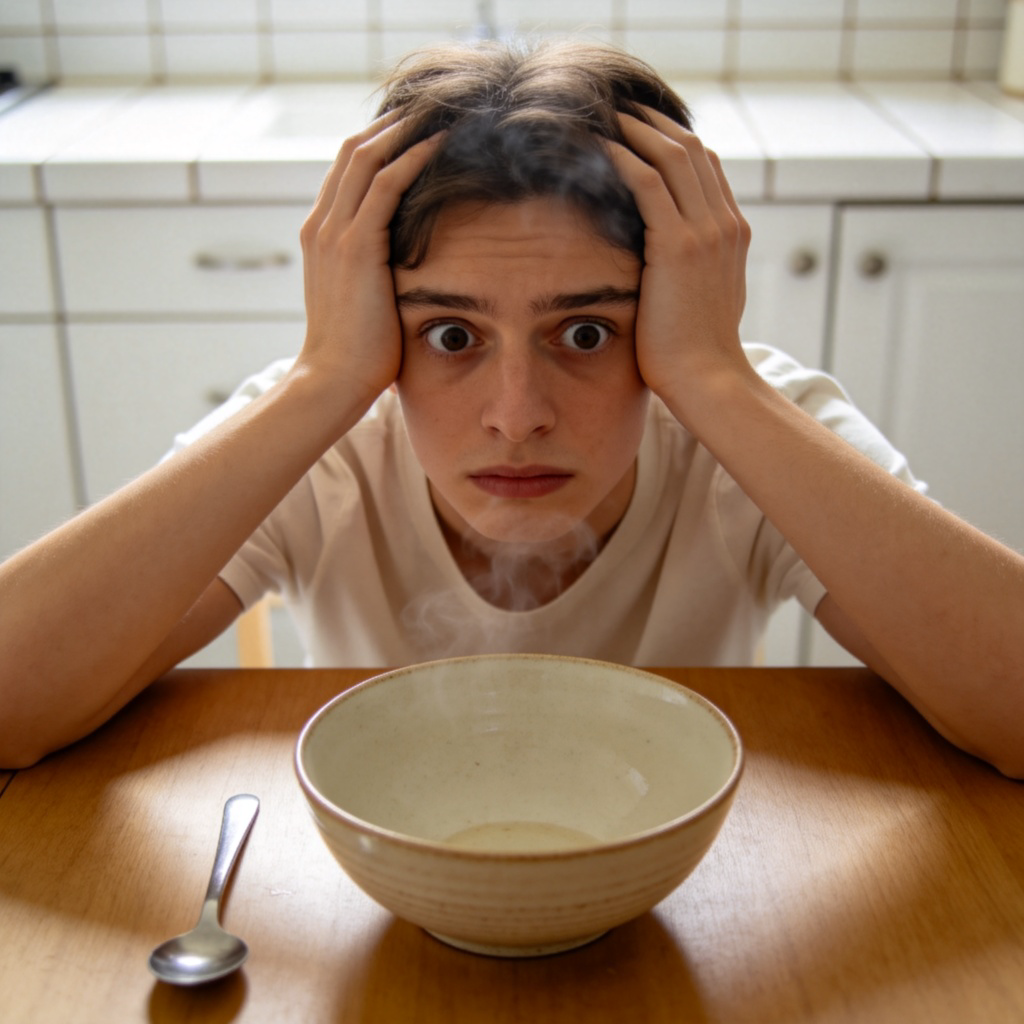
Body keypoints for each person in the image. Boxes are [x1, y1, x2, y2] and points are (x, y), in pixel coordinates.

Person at [0, 40, 1022, 776]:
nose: (516, 414)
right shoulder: (324, 427)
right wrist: (321, 382)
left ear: (671, 312)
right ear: (379, 328)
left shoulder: (742, 419)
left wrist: (712, 380)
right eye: (450, 334)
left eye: (586, 332)